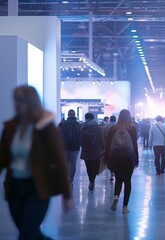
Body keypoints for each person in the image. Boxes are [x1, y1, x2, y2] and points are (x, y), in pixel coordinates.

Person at [0, 86, 72, 239]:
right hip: (14, 188)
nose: (16, 104)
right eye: (15, 99)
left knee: (26, 233)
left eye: (20, 100)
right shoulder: (10, 127)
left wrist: (67, 195)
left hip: (37, 188)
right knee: (29, 233)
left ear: (31, 101)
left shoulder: (46, 127)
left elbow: (59, 161)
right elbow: (2, 158)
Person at [104, 109, 139, 213]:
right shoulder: (132, 128)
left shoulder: (112, 128)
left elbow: (108, 145)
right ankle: (125, 207)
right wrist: (136, 159)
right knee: (127, 181)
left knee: (118, 180)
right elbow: (134, 145)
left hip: (116, 158)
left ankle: (115, 197)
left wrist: (107, 158)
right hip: (129, 158)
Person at [80, 112, 104, 191]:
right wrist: (104, 148)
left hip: (86, 149)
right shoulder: (98, 127)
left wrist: (82, 145)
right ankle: (92, 180)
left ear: (87, 118)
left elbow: (80, 138)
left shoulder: (82, 127)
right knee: (96, 166)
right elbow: (101, 138)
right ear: (92, 118)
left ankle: (91, 180)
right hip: (96, 149)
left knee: (88, 166)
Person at [58, 109, 81, 188]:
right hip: (75, 147)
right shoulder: (78, 124)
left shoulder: (62, 124)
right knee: (73, 164)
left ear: (68, 115)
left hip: (64, 146)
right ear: (74, 115)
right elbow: (81, 136)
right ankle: (70, 182)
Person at [102, 115, 117, 182]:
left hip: (107, 146)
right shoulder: (118, 126)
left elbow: (102, 137)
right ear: (115, 120)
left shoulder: (105, 127)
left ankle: (111, 172)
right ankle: (115, 172)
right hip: (117, 146)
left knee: (109, 160)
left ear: (110, 120)